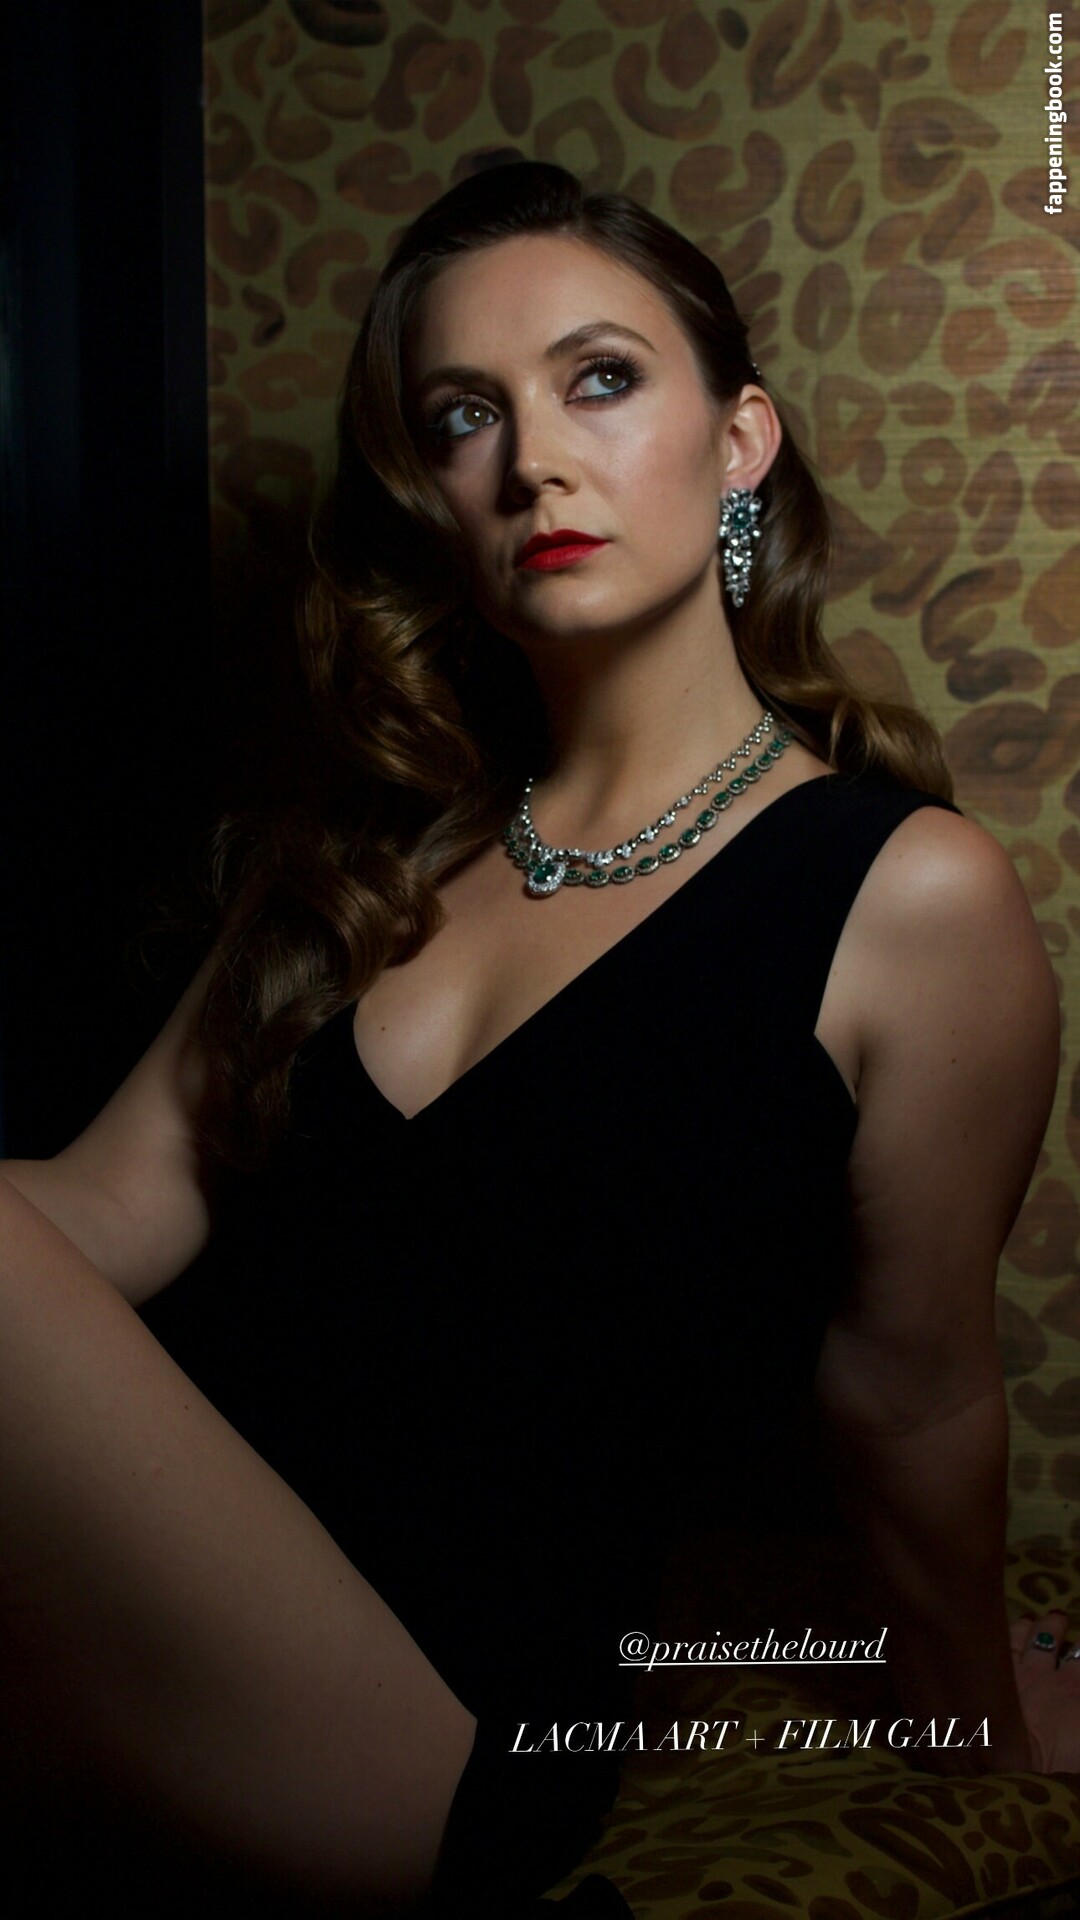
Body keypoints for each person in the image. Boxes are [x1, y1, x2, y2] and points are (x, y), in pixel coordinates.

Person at [0, 160, 1076, 1917]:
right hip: (165, 1636)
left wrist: (980, 1732)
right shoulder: (356, 865)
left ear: (740, 443)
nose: (533, 463)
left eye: (601, 380)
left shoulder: (906, 896)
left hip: (433, 1729)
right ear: (431, 496)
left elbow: (916, 1391)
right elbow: (93, 1215)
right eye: (463, 415)